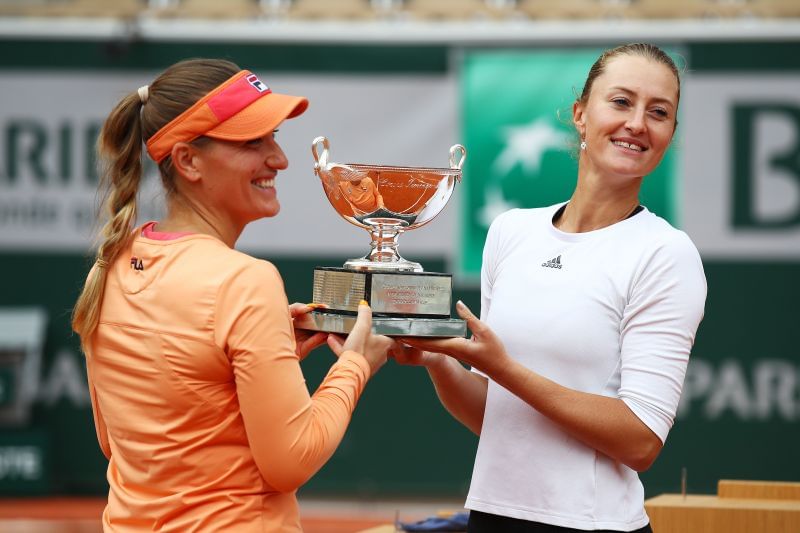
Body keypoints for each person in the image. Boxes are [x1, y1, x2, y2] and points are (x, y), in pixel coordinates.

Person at [393, 43, 707, 532]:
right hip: (492, 515)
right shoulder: (510, 231)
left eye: (659, 112)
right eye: (621, 102)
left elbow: (641, 441)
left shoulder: (666, 254)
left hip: (595, 525)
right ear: (580, 115)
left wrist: (502, 368)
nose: (637, 123)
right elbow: (499, 419)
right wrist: (439, 361)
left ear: (670, 134)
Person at [71, 58, 393, 532]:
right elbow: (291, 461)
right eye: (250, 142)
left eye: (274, 138)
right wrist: (355, 365)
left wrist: (262, 358)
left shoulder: (113, 262)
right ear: (187, 161)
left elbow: (124, 438)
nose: (279, 159)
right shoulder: (245, 281)